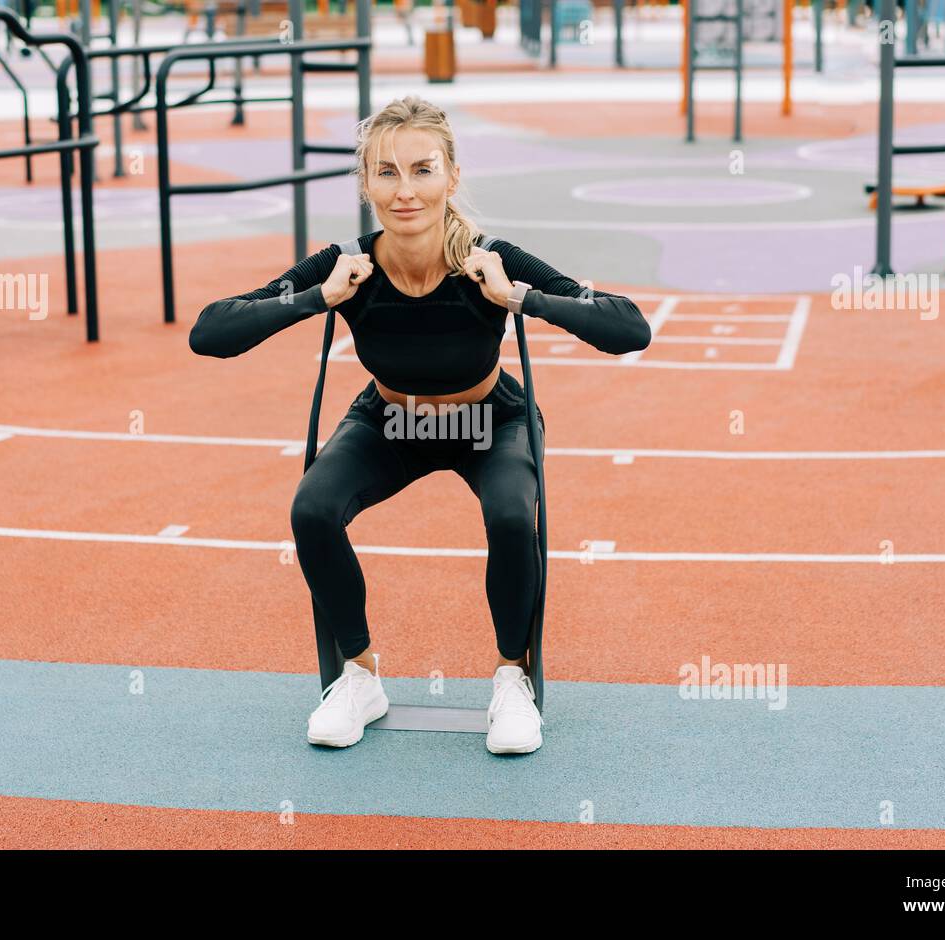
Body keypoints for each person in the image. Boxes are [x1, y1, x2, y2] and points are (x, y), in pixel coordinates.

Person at [189, 96, 651, 754]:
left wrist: (518, 296)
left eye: (422, 170)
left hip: (490, 418)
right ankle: (359, 675)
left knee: (515, 517)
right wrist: (319, 297)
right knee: (313, 509)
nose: (405, 191)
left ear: (451, 176)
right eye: (386, 172)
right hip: (390, 420)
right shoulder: (344, 263)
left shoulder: (492, 258)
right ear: (365, 182)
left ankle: (513, 680)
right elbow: (211, 333)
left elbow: (629, 327)